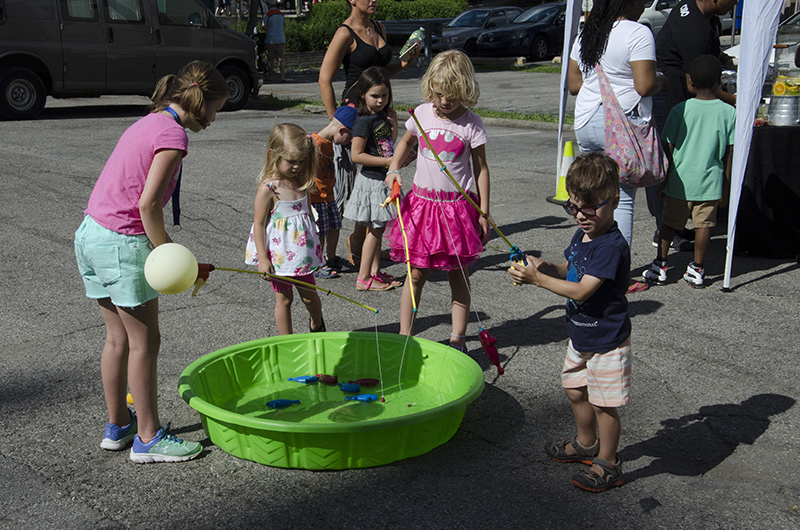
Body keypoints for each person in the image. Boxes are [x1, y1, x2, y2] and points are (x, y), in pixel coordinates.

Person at [74, 61, 228, 463]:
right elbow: (147, 205)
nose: (215, 118)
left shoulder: (151, 120)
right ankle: (147, 438)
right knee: (146, 342)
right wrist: (170, 256)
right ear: (200, 100)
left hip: (92, 233)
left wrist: (181, 261)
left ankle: (118, 426)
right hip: (122, 242)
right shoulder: (173, 134)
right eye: (216, 108)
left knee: (117, 339)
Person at [508, 153, 631, 493]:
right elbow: (571, 272)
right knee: (576, 390)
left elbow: (581, 290)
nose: (581, 215)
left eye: (590, 207)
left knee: (604, 403)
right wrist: (544, 267)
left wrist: (537, 281)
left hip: (607, 340)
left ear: (615, 201)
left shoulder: (610, 246)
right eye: (573, 207)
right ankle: (586, 443)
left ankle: (608, 461)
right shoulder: (582, 236)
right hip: (580, 337)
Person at [385, 50, 490, 352]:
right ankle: (405, 336)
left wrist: (483, 211)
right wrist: (393, 168)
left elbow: (481, 170)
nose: (444, 102)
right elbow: (406, 142)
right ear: (431, 87)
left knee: (458, 272)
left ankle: (458, 338)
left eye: (452, 97)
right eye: (440, 95)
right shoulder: (422, 113)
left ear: (465, 91)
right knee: (415, 272)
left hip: (456, 209)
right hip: (422, 206)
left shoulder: (472, 124)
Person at [567, 0, 667, 293]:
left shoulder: (587, 34)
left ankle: (588, 261)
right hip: (620, 123)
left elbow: (574, 84)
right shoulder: (637, 32)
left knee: (590, 193)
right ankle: (615, 274)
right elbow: (644, 85)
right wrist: (662, 80)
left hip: (587, 119)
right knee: (619, 197)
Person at [318, 0, 421, 267]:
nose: (373, 0)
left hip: (380, 111)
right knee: (357, 183)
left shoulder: (379, 28)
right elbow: (324, 78)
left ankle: (363, 244)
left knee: (376, 182)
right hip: (355, 115)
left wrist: (407, 60)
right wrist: (336, 119)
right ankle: (357, 244)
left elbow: (384, 73)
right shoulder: (345, 33)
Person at [650, 0, 738, 250]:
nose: (735, 5)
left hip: (684, 90)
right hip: (670, 93)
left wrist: (725, 59)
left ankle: (675, 226)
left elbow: (710, 58)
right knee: (669, 161)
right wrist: (734, 100)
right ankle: (665, 229)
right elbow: (697, 82)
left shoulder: (705, 16)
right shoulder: (694, 31)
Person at [644, 55, 735, 288]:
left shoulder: (679, 110)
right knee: (704, 227)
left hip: (679, 180)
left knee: (668, 224)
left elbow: (669, 148)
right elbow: (730, 152)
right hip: (711, 182)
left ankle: (661, 265)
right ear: (719, 81)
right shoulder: (729, 113)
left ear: (689, 82)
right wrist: (726, 185)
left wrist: (663, 180)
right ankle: (697, 269)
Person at [245, 124, 326, 334]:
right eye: (291, 161)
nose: (297, 166)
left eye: (301, 161)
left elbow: (308, 215)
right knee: (284, 299)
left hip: (302, 254)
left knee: (310, 296)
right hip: (280, 256)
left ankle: (317, 323)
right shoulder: (269, 189)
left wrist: (316, 242)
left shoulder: (303, 182)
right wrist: (263, 258)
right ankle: (285, 341)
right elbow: (259, 224)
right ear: (274, 154)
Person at [342, 67, 401, 291]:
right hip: (372, 181)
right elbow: (357, 155)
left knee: (379, 228)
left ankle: (374, 273)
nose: (380, 100)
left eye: (384, 95)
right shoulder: (364, 121)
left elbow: (388, 145)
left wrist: (393, 125)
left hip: (383, 178)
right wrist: (389, 163)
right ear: (363, 95)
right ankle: (364, 277)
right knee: (375, 230)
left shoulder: (382, 116)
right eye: (375, 96)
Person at [310, 105, 358, 278]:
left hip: (329, 195)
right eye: (349, 138)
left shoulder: (330, 143)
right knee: (321, 231)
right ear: (341, 130)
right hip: (317, 197)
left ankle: (331, 257)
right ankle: (317, 261)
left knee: (335, 226)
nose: (348, 142)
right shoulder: (314, 144)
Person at [263, 1, 286, 82]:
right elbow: (283, 25)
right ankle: (282, 76)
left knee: (270, 59)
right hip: (281, 39)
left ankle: (270, 76)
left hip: (271, 39)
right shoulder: (281, 14)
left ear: (269, 5)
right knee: (281, 58)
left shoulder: (267, 15)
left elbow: (265, 27)